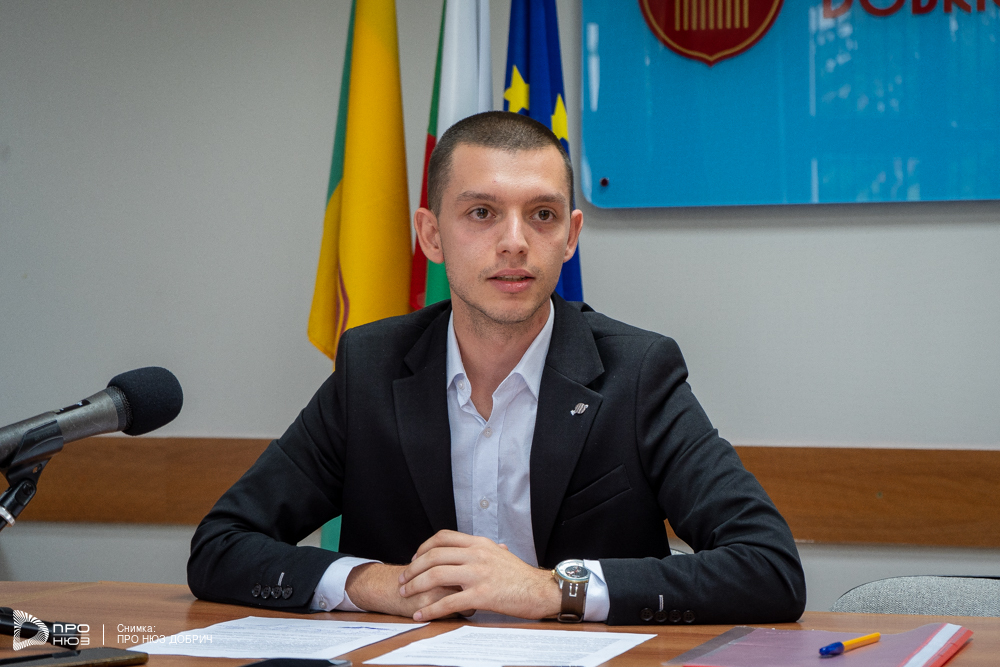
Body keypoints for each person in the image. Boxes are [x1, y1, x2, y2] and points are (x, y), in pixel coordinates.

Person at [188, 111, 806, 626]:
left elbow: (769, 567)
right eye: (482, 212)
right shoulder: (370, 369)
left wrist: (550, 589)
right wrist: (378, 583)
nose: (515, 241)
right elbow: (221, 545)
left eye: (543, 215)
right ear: (431, 235)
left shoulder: (637, 373)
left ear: (570, 236)